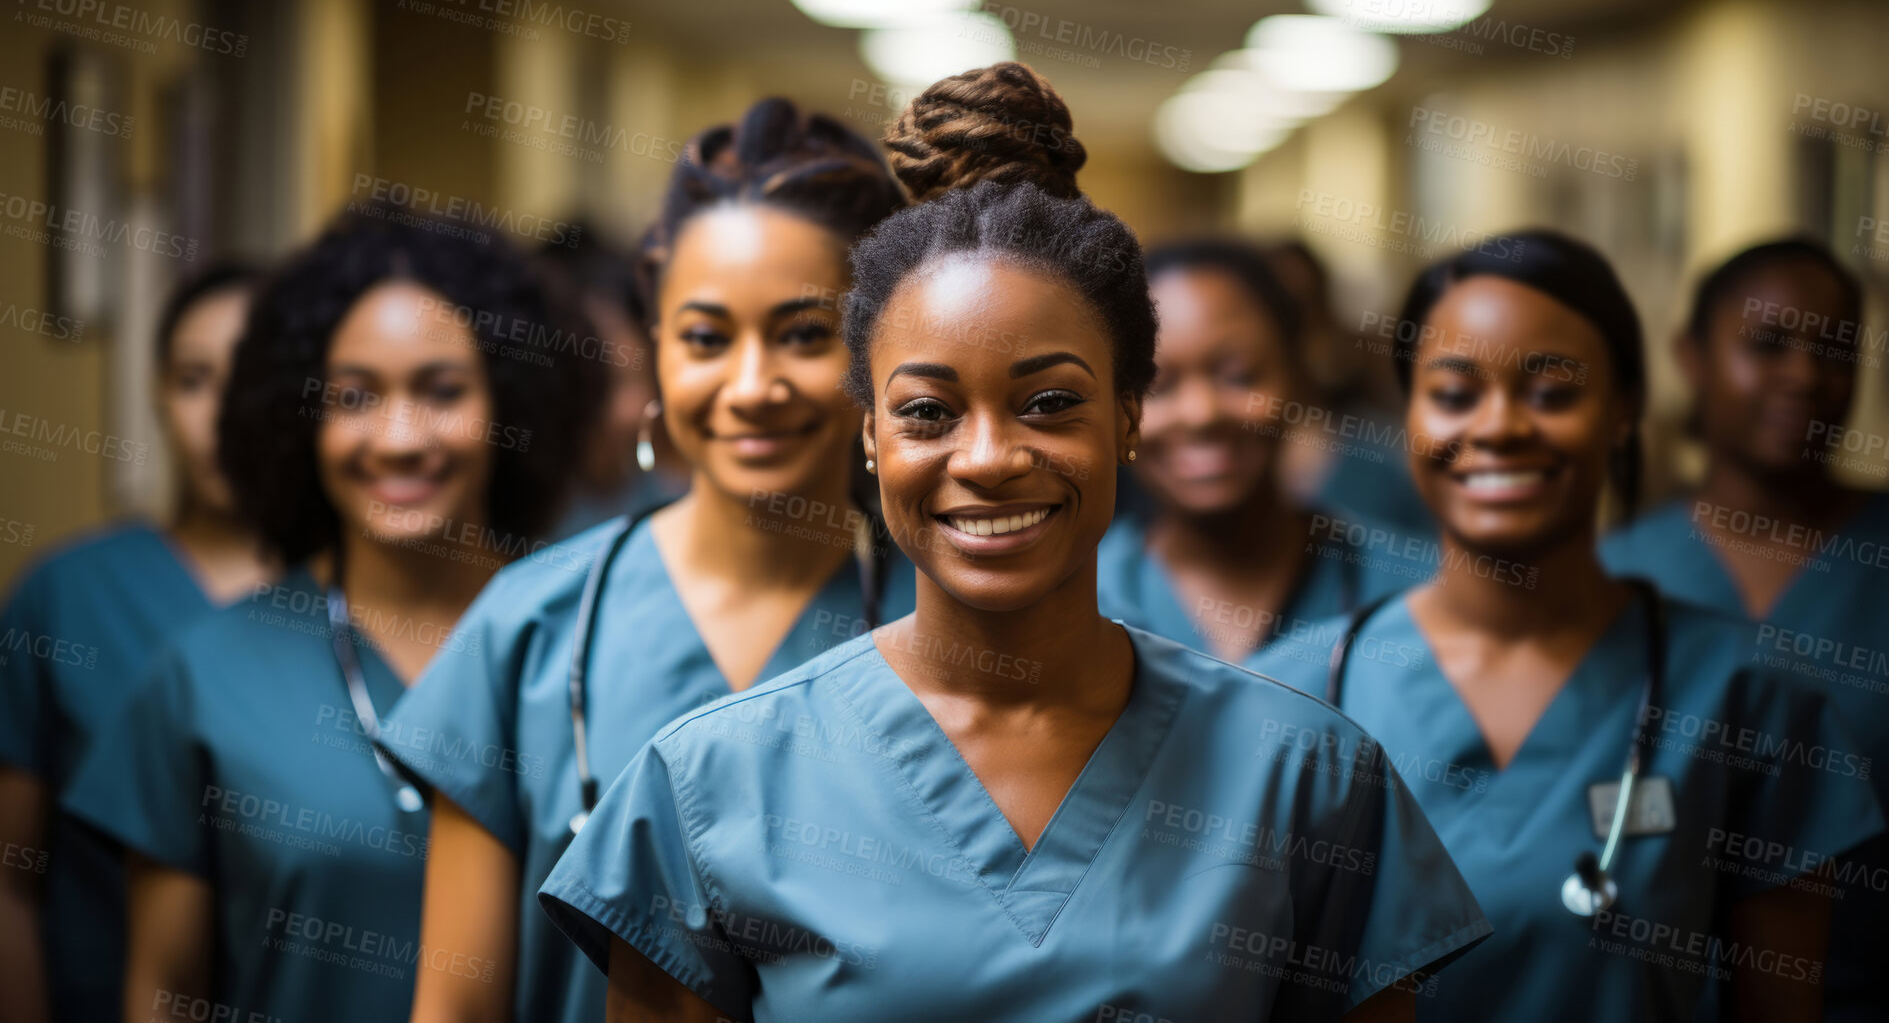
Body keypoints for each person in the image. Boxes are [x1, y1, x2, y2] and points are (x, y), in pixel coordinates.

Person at [540, 62, 1490, 1023]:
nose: (988, 456)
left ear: (1128, 415)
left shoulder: (1303, 775)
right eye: (926, 410)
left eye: (1049, 402)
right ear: (869, 433)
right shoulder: (712, 783)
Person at [1258, 230, 1883, 1020]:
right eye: (1453, 393)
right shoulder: (1290, 693)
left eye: (1552, 390)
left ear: (1623, 410)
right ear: (1409, 414)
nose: (1499, 426)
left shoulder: (1749, 695)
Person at [394, 98, 916, 1023]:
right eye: (706, 338)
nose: (751, 386)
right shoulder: (529, 627)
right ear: (656, 352)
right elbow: (455, 1008)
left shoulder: (945, 621)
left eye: (803, 333)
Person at [60, 205, 598, 1023]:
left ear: (511, 406)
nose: (399, 436)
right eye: (354, 396)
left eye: (442, 390)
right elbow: (163, 997)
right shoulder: (205, 676)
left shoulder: (590, 640)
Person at [1599, 238, 1888, 1022]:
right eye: (1767, 344)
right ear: (1689, 355)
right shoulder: (1610, 576)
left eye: (1833, 349)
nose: (1803, 373)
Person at [0, 261, 274, 1023]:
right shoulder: (65, 594)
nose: (222, 415)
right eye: (193, 380)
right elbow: (9, 875)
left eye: (252, 380)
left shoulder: (354, 606)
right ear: (155, 392)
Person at [1098, 239, 1422, 667]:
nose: (1201, 414)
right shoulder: (1078, 598)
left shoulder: (1415, 592)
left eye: (1239, 374)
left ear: (1296, 375)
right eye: (1159, 386)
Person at [1267, 239, 1434, 539]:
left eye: (1301, 311)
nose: (1286, 336)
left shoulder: (1386, 461)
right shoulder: (1205, 464)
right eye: (1271, 315)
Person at [536, 227, 687, 541]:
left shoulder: (678, 505)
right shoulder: (507, 532)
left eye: (642, 373)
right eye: (604, 383)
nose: (633, 409)